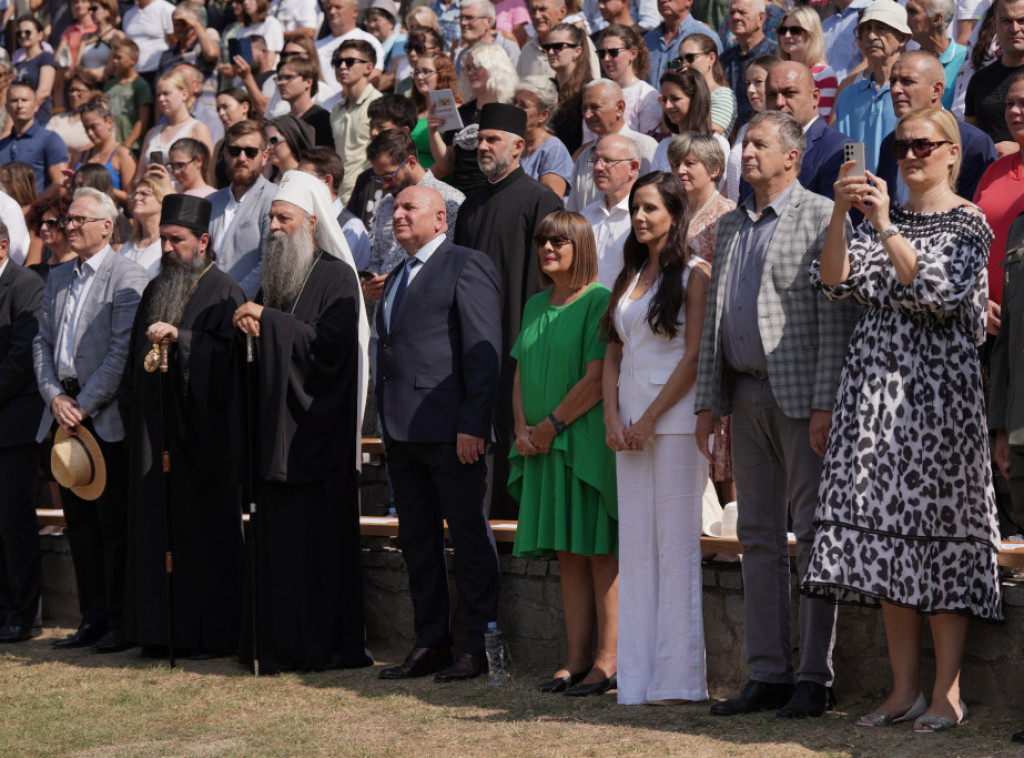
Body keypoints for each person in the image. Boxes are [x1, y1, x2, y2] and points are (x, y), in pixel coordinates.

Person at [804, 106, 1002, 732]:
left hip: (940, 401)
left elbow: (938, 292)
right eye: (902, 144)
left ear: (952, 152)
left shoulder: (969, 221)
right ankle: (902, 690)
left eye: (923, 144)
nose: (911, 154)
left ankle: (948, 692)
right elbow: (835, 282)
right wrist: (841, 213)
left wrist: (887, 226)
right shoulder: (869, 220)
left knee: (941, 541)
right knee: (887, 541)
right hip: (875, 395)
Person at [694, 111, 858, 719]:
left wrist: (824, 403)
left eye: (759, 143)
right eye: (745, 143)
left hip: (802, 399)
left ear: (793, 156)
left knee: (814, 535)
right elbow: (716, 316)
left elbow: (832, 320)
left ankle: (815, 676)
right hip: (745, 396)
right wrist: (709, 401)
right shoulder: (733, 223)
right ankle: (767, 673)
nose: (748, 152)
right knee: (757, 536)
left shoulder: (821, 214)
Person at [232, 169, 372, 674]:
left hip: (318, 438)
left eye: (283, 217)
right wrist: (252, 326)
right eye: (271, 217)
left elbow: (328, 348)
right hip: (277, 438)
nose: (273, 226)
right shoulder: (278, 276)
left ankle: (319, 646)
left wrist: (265, 321)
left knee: (314, 549)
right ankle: (277, 644)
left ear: (311, 222)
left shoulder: (336, 276)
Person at [375, 185, 502, 682]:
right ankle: (430, 642)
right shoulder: (397, 276)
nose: (398, 215)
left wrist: (473, 423)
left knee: (468, 537)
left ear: (440, 219)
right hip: (401, 432)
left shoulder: (465, 263)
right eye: (397, 208)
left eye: (410, 208)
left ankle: (478, 643)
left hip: (452, 433)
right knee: (417, 541)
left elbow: (482, 349)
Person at [119, 194, 245, 659]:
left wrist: (184, 341)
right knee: (154, 531)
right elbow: (136, 360)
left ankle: (206, 636)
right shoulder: (155, 290)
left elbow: (230, 362)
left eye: (178, 240)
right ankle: (158, 631)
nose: (168, 248)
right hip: (155, 430)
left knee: (200, 536)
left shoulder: (226, 290)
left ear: (204, 241)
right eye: (165, 239)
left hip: (201, 442)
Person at [601, 171, 711, 704]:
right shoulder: (629, 273)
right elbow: (613, 350)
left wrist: (647, 420)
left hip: (675, 425)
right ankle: (637, 680)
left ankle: (679, 680)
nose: (641, 217)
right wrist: (611, 417)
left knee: (675, 548)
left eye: (651, 208)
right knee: (637, 550)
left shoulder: (694, 272)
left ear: (675, 212)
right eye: (635, 208)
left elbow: (692, 358)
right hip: (627, 426)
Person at [34, 188, 148, 654]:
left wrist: (83, 405)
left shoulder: (129, 275)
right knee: (78, 523)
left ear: (108, 225)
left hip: (101, 416)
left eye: (80, 219)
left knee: (113, 524)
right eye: (68, 220)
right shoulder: (59, 275)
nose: (70, 226)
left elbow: (122, 350)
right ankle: (91, 618)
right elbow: (41, 344)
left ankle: (120, 622)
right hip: (63, 409)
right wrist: (56, 397)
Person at [510, 210, 618, 697]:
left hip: (581, 441)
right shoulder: (534, 303)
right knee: (568, 554)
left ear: (582, 247)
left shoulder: (600, 301)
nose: (548, 249)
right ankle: (574, 659)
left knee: (599, 554)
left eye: (559, 242)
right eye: (543, 242)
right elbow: (520, 371)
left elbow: (597, 379)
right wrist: (521, 427)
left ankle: (607, 661)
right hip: (541, 444)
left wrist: (551, 425)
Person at [454, 103, 564, 519]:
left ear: (518, 146)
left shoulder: (541, 200)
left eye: (492, 140)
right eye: (480, 139)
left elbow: (553, 278)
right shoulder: (470, 206)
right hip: (472, 341)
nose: (483, 147)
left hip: (521, 339)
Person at [667, 133, 736, 500]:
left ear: (714, 169)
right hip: (677, 331)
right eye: (676, 162)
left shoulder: (726, 214)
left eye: (689, 163)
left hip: (715, 332)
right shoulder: (675, 213)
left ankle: (732, 536)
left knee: (722, 433)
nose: (680, 170)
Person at [364, 129, 465, 326]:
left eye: (388, 176)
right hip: (383, 325)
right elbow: (377, 258)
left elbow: (451, 264)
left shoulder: (450, 201)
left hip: (426, 324)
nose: (384, 185)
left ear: (410, 162)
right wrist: (371, 281)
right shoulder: (386, 204)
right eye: (379, 178)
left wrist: (398, 280)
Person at [0, 219, 45, 644]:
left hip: (14, 423)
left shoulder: (24, 284)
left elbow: (21, 357)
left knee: (13, 519)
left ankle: (23, 612)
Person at [877, 51, 995, 205]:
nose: (895, 90)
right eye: (893, 81)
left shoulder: (974, 144)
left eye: (907, 81)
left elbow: (976, 211)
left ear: (937, 90)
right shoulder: (890, 143)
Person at [429, 42, 518, 195]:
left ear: (494, 68)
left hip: (491, 193)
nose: (470, 73)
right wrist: (433, 133)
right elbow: (445, 164)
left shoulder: (509, 110)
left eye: (476, 67)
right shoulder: (462, 112)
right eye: (468, 68)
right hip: (458, 194)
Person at [755, 60, 850, 200]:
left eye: (789, 93)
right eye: (771, 95)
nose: (779, 102)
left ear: (815, 97)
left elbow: (841, 217)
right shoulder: (755, 149)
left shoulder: (840, 150)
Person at [833, 0, 910, 175]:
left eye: (881, 28)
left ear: (903, 38)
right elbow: (849, 156)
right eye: (866, 29)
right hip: (860, 196)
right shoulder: (848, 96)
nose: (871, 36)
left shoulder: (914, 91)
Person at [208, 119, 276, 298]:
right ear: (225, 154)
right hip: (205, 310)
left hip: (247, 310)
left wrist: (230, 299)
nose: (242, 158)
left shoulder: (274, 200)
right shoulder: (211, 202)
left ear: (266, 156)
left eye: (251, 152)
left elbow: (268, 264)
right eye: (234, 151)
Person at [567, 80, 657, 212]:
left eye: (595, 107)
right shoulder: (584, 157)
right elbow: (573, 212)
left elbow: (656, 200)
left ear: (619, 108)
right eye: (584, 108)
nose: (587, 115)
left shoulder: (644, 147)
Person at [296, 146, 373, 270]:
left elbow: (336, 274)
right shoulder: (300, 218)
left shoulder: (351, 228)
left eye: (303, 178)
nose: (296, 183)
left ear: (326, 180)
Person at [580, 134, 641, 288]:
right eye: (595, 161)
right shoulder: (586, 215)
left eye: (607, 161)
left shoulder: (644, 217)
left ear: (632, 167)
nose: (598, 167)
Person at [133, 71, 213, 187]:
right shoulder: (152, 133)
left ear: (184, 94)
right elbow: (140, 175)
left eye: (166, 93)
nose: (161, 99)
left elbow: (208, 173)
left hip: (183, 199)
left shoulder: (197, 128)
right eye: (158, 94)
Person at [965, 0, 1024, 153]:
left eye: (1022, 21)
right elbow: (969, 139)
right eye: (1006, 21)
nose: (1014, 28)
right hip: (988, 173)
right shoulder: (979, 80)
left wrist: (1019, 150)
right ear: (994, 26)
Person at [329, 40, 383, 204]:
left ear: (369, 67)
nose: (343, 67)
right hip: (338, 196)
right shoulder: (336, 110)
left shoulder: (379, 105)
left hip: (369, 195)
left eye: (350, 61)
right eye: (338, 62)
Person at [650, 68, 729, 175]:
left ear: (694, 99)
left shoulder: (717, 143)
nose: (667, 106)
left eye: (675, 98)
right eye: (664, 100)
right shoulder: (664, 146)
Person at [0, 81, 69, 194]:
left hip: (38, 209)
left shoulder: (50, 139)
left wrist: (32, 209)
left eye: (24, 100)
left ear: (36, 106)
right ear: (7, 107)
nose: (19, 105)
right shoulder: (2, 144)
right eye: (14, 100)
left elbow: (60, 184)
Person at [514, 77, 575, 199]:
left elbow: (549, 202)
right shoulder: (513, 143)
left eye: (523, 105)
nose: (515, 108)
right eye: (514, 102)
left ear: (543, 115)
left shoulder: (553, 149)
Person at [594, 25, 662, 136]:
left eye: (613, 52)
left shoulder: (646, 95)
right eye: (602, 53)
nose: (606, 59)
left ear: (633, 53)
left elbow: (649, 145)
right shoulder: (597, 92)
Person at [726, 54, 777, 201]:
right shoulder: (744, 129)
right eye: (748, 83)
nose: (750, 89)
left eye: (758, 82)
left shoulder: (784, 131)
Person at [720, 0, 776, 125]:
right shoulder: (724, 59)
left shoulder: (775, 55)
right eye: (732, 12)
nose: (736, 17)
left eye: (742, 12)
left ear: (761, 18)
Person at [775, 6, 838, 119]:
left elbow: (823, 122)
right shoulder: (776, 72)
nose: (787, 35)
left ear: (811, 34)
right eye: (782, 30)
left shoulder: (824, 74)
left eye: (795, 30)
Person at [643, 0, 723, 88]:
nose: (663, 1)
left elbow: (718, 79)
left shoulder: (706, 36)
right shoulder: (647, 40)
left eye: (690, 58)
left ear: (688, 1)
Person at [75, 95, 137, 208]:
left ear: (109, 122)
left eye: (94, 127)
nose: (90, 133)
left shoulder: (122, 154)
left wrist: (101, 186)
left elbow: (131, 198)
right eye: (86, 128)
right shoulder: (82, 154)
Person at [315, 0, 385, 99]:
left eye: (338, 7)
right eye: (329, 8)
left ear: (355, 12)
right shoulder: (316, 46)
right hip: (321, 108)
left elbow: (373, 78)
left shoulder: (368, 40)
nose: (332, 12)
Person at [544, 22, 594, 155]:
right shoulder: (547, 88)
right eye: (547, 47)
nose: (550, 52)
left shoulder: (589, 91)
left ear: (577, 51)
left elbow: (594, 141)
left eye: (558, 47)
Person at [906, 0, 965, 110]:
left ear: (937, 19)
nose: (905, 17)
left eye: (912, 12)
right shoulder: (910, 63)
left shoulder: (966, 59)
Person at [679, 32, 737, 135]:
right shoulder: (684, 94)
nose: (684, 65)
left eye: (690, 58)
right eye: (680, 59)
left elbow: (707, 138)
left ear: (711, 58)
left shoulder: (722, 95)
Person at [102, 39, 153, 154]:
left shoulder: (140, 85)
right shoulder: (109, 85)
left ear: (133, 60)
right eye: (113, 57)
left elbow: (143, 120)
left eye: (119, 58)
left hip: (132, 147)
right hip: (111, 145)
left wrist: (127, 145)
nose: (115, 61)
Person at [409, 52, 457, 169]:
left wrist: (421, 181)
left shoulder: (452, 110)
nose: (419, 77)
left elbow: (448, 165)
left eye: (426, 72)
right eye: (416, 72)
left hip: (434, 182)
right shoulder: (412, 109)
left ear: (442, 75)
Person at [120, 176, 174, 279]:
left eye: (144, 194)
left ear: (163, 200)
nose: (136, 198)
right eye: (135, 194)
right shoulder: (127, 246)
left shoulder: (169, 246)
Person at [275, 56, 333, 147]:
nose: (281, 83)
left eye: (288, 77)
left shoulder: (323, 119)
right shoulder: (282, 121)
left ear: (308, 82)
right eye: (279, 78)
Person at [451, 0, 521, 73]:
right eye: (461, 18)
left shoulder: (507, 49)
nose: (463, 23)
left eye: (469, 18)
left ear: (488, 21)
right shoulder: (463, 55)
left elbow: (516, 82)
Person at [13, 16, 57, 125]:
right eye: (19, 33)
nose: (23, 36)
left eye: (28, 32)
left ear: (40, 35)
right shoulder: (18, 64)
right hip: (18, 121)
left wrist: (26, 111)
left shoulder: (45, 57)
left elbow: (44, 92)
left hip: (38, 119)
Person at [122, 0, 175, 89]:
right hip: (134, 75)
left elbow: (175, 42)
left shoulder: (166, 9)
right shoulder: (128, 14)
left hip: (157, 73)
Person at [74, 0, 124, 87]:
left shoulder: (116, 35)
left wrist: (85, 71)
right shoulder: (86, 37)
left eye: (94, 9)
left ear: (108, 11)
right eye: (90, 9)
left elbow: (110, 69)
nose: (90, 12)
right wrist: (93, 73)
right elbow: (77, 66)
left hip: (107, 87)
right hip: (86, 86)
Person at [46, 73, 97, 157]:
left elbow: (102, 142)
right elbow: (46, 142)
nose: (73, 94)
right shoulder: (56, 119)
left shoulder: (98, 119)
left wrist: (76, 155)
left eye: (79, 91)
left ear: (91, 93)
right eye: (71, 90)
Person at [823, 0, 872, 82]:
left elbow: (872, 60)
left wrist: (843, 88)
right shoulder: (826, 24)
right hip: (826, 90)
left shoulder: (872, 10)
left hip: (857, 90)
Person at [364, 0, 408, 92]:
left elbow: (393, 75)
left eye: (376, 20)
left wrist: (363, 93)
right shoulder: (369, 45)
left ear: (391, 22)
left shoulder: (400, 40)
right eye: (369, 20)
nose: (371, 25)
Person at [266, 114, 314, 183]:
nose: (268, 147)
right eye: (265, 141)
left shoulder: (307, 180)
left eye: (274, 140)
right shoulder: (267, 178)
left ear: (292, 139)